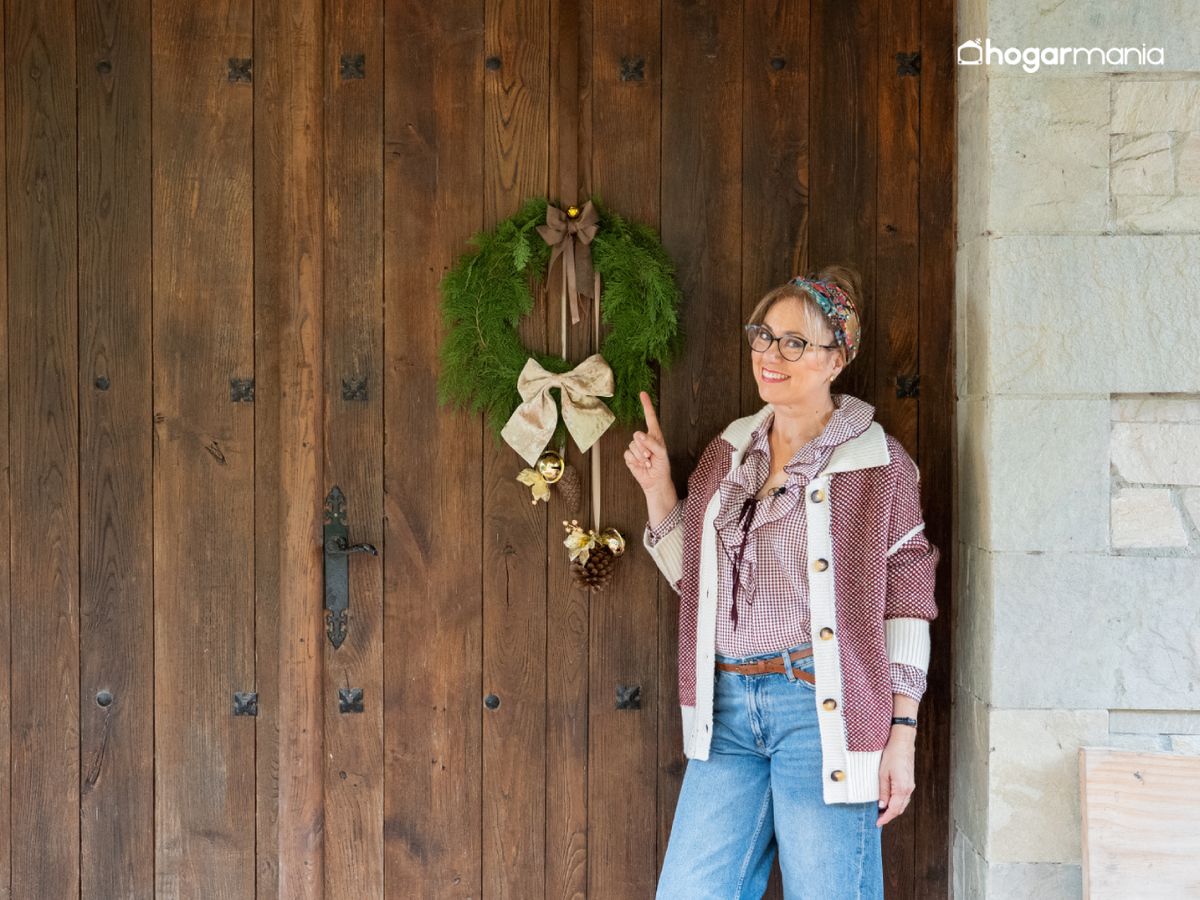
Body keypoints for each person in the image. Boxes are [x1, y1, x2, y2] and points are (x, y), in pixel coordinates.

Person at [624, 266, 940, 899]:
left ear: (835, 360)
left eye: (794, 343)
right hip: (728, 712)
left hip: (820, 710)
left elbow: (907, 607)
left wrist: (901, 738)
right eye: (763, 337)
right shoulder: (731, 450)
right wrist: (661, 492)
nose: (770, 355)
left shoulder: (878, 463)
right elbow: (698, 585)